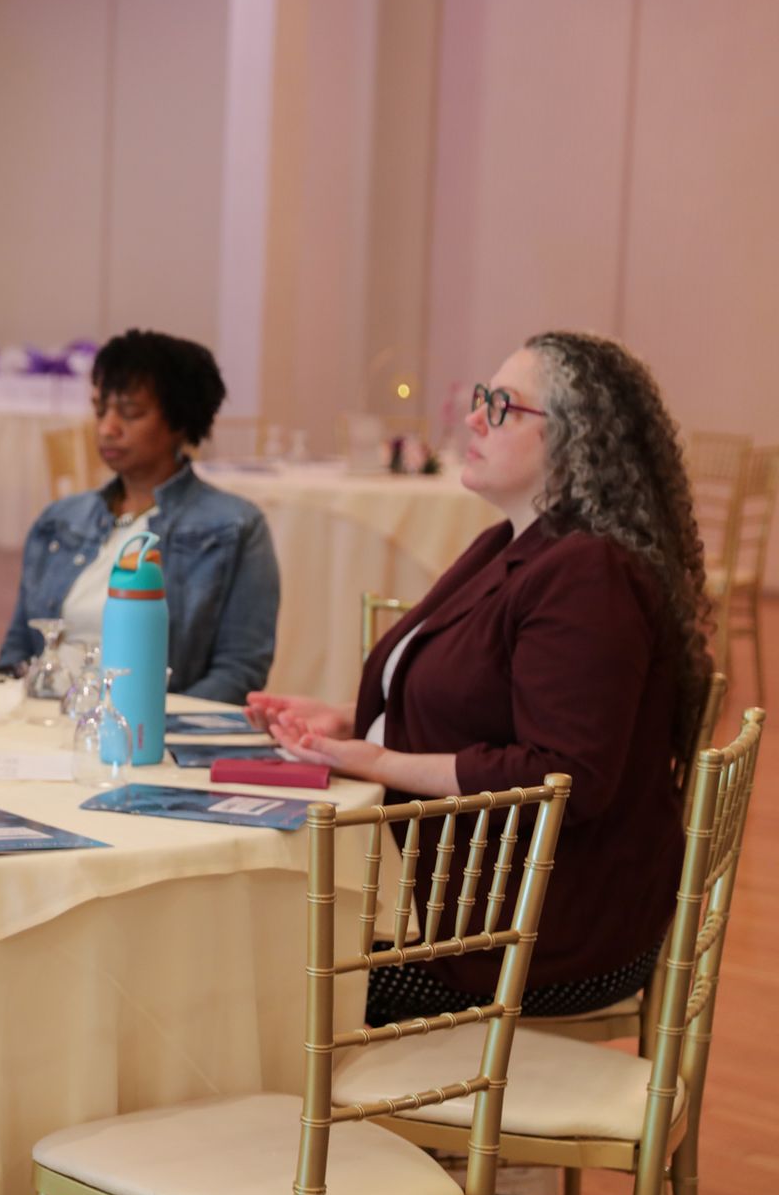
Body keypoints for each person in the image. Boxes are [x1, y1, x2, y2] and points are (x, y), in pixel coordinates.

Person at [248, 331, 709, 1025]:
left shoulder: (588, 575)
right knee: (265, 945)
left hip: (540, 941)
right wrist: (349, 717)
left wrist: (378, 760)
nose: (473, 418)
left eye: (502, 406)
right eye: (481, 399)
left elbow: (566, 772)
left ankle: (342, 1132)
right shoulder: (512, 544)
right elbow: (486, 701)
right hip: (485, 902)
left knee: (264, 980)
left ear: (575, 438)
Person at [0, 329, 279, 702]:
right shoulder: (60, 521)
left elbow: (239, 671)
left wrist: (155, 726)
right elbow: (18, 650)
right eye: (101, 410)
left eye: (131, 413)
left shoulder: (233, 526)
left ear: (180, 420)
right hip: (47, 720)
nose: (108, 428)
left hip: (156, 736)